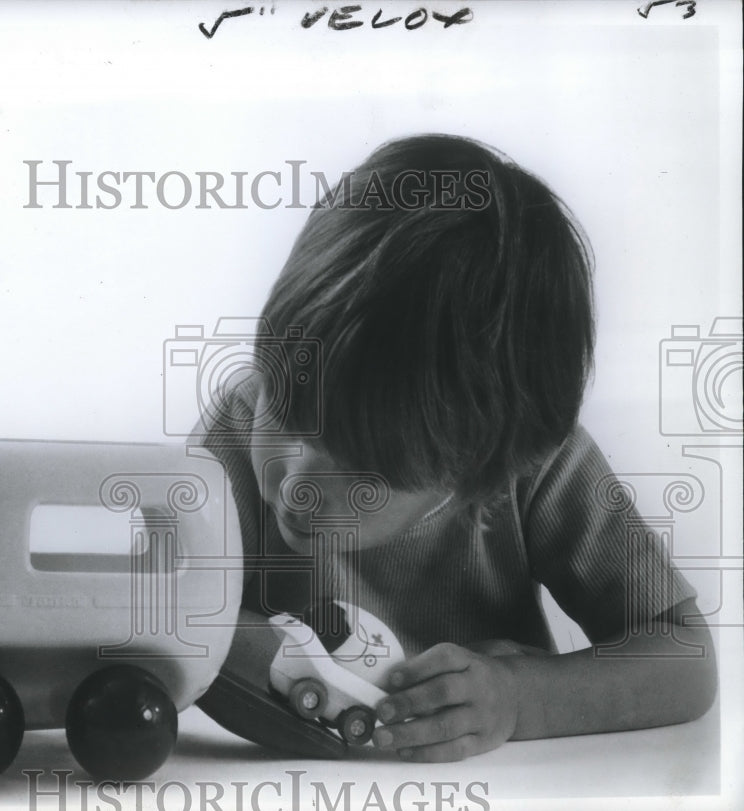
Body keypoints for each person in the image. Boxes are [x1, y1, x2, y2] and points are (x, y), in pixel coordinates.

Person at [195, 134, 717, 762]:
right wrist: (217, 642)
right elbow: (148, 613)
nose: (296, 478)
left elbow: (685, 658)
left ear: (479, 477)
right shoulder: (232, 428)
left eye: (363, 466)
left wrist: (522, 698)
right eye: (286, 408)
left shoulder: (538, 467)